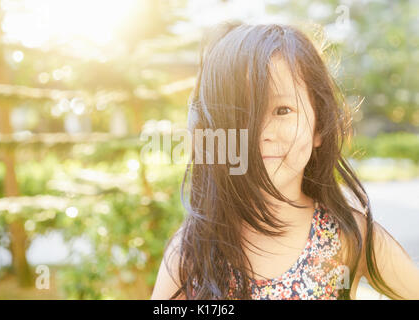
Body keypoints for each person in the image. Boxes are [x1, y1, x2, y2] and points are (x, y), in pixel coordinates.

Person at [150, 21, 419, 300]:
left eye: (282, 110)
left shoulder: (347, 236)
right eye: (241, 114)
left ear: (319, 127)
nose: (262, 132)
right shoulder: (194, 247)